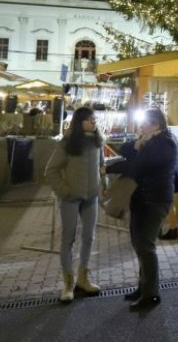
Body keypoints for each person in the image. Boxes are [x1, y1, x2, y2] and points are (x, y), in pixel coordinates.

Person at [106, 108, 178, 311]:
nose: (140, 127)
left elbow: (139, 165)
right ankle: (143, 287)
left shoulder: (165, 142)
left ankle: (151, 294)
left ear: (156, 125)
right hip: (141, 199)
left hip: (155, 201)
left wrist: (111, 167)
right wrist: (137, 144)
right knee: (139, 244)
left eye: (144, 124)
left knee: (146, 246)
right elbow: (123, 154)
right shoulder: (147, 141)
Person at [44, 107, 104, 303]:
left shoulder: (97, 141)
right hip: (70, 198)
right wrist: (65, 191)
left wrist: (101, 184)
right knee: (68, 239)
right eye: (89, 120)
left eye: (94, 119)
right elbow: (51, 170)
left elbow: (101, 166)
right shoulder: (68, 142)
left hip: (91, 197)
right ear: (79, 122)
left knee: (89, 237)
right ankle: (68, 284)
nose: (93, 122)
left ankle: (83, 279)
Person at [159, 151, 178, 240]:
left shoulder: (163, 139)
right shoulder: (169, 137)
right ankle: (171, 229)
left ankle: (173, 230)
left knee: (168, 203)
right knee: (168, 203)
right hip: (173, 170)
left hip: (169, 173)